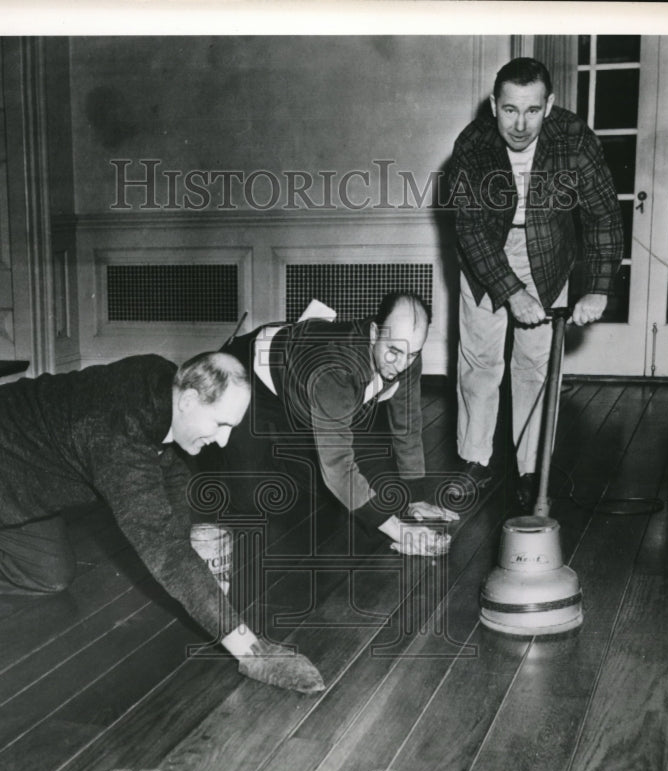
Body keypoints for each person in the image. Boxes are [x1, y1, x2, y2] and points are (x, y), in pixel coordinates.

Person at [0, 352, 325, 694]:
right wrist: (250, 649)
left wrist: (193, 546)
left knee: (48, 577)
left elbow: (170, 484)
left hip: (0, 478)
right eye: (220, 424)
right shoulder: (115, 430)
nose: (222, 440)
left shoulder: (160, 385)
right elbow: (162, 548)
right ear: (188, 399)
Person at [450, 56, 624, 507]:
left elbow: (603, 215)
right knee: (481, 362)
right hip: (486, 254)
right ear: (494, 105)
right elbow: (469, 230)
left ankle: (531, 470)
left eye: (531, 110)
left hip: (548, 254)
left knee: (534, 367)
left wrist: (599, 286)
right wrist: (510, 291)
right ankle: (475, 461)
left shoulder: (574, 140)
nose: (521, 124)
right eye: (510, 110)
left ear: (549, 105)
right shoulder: (471, 145)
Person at [218, 293, 457, 555]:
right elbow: (339, 464)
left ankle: (287, 451)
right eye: (394, 352)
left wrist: (415, 495)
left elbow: (407, 424)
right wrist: (402, 531)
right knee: (250, 501)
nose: (401, 365)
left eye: (412, 354)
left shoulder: (405, 349)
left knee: (327, 494)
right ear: (375, 333)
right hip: (247, 373)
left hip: (298, 389)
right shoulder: (336, 371)